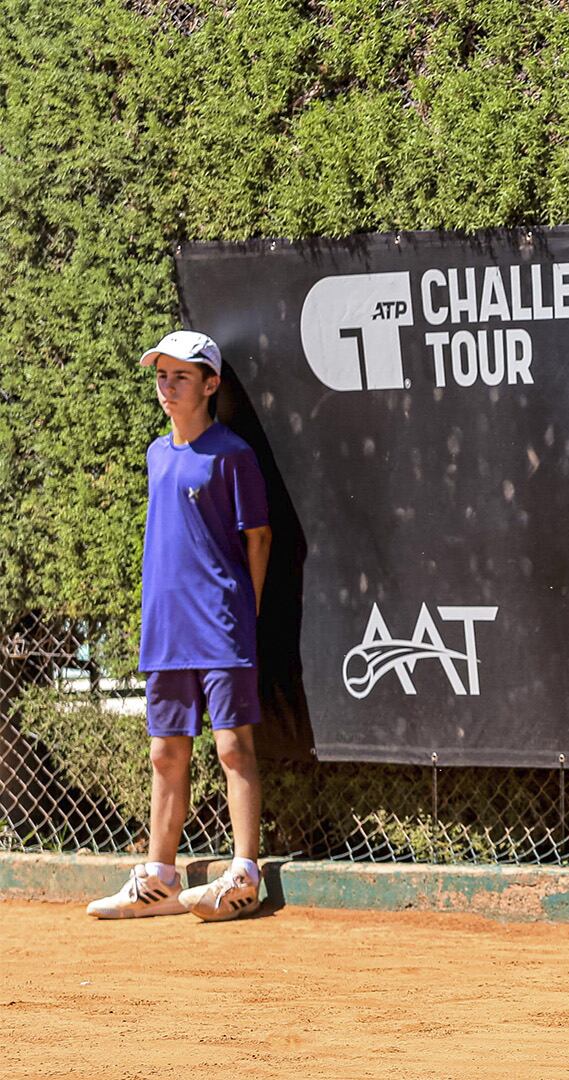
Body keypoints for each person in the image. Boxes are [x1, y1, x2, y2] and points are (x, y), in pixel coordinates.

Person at [87, 330, 272, 922]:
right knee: (165, 754)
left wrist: (248, 610)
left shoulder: (232, 454)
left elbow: (258, 538)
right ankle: (159, 878)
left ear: (211, 384)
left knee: (232, 747)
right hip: (165, 631)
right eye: (163, 377)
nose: (168, 387)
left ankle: (245, 874)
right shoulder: (155, 453)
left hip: (221, 624)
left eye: (181, 377)